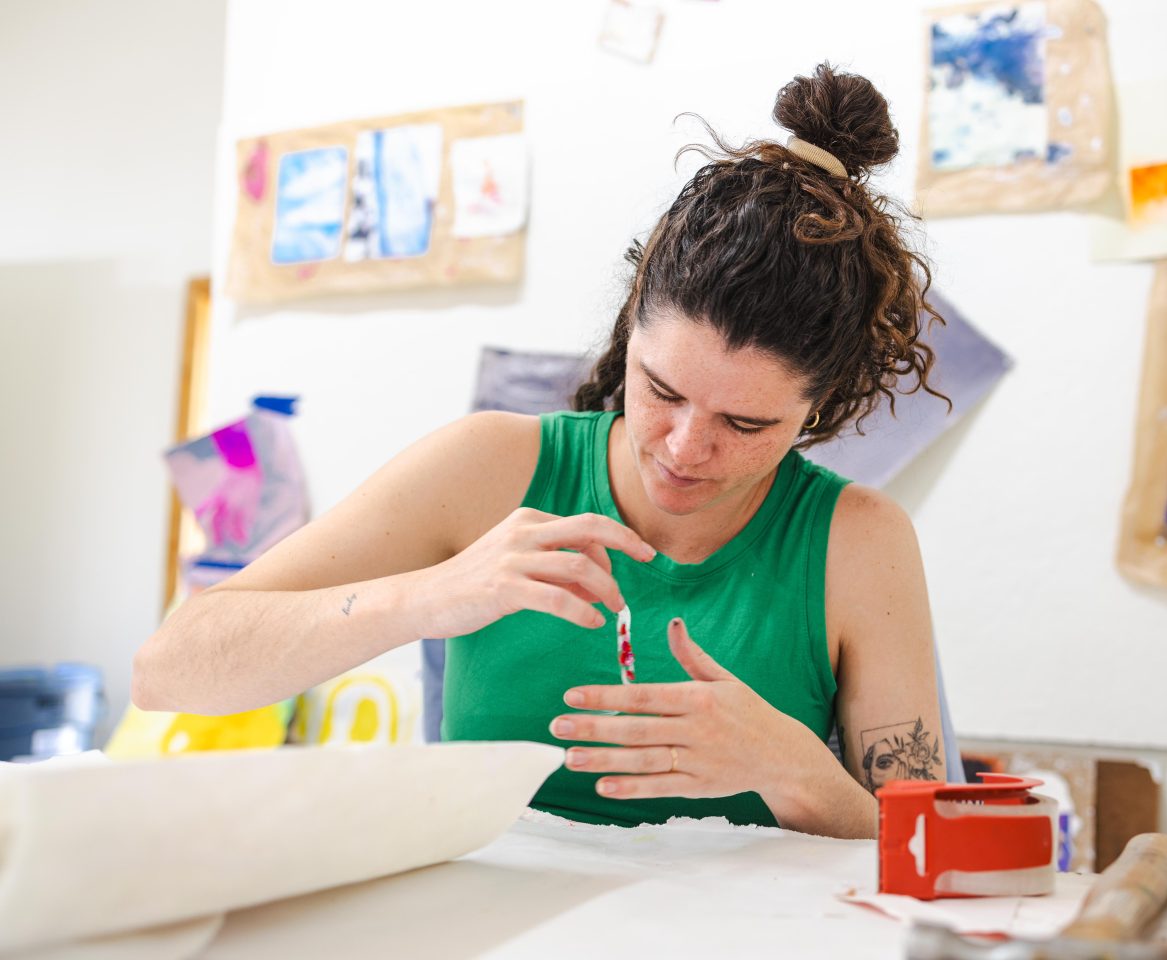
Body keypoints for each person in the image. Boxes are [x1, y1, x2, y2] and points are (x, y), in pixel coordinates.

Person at [134, 63, 950, 840]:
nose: (683, 447)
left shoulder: (859, 543)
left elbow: (927, 851)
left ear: (821, 408)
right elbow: (168, 672)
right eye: (661, 390)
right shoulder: (489, 468)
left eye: (745, 426)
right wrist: (429, 596)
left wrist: (796, 768)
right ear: (630, 327)